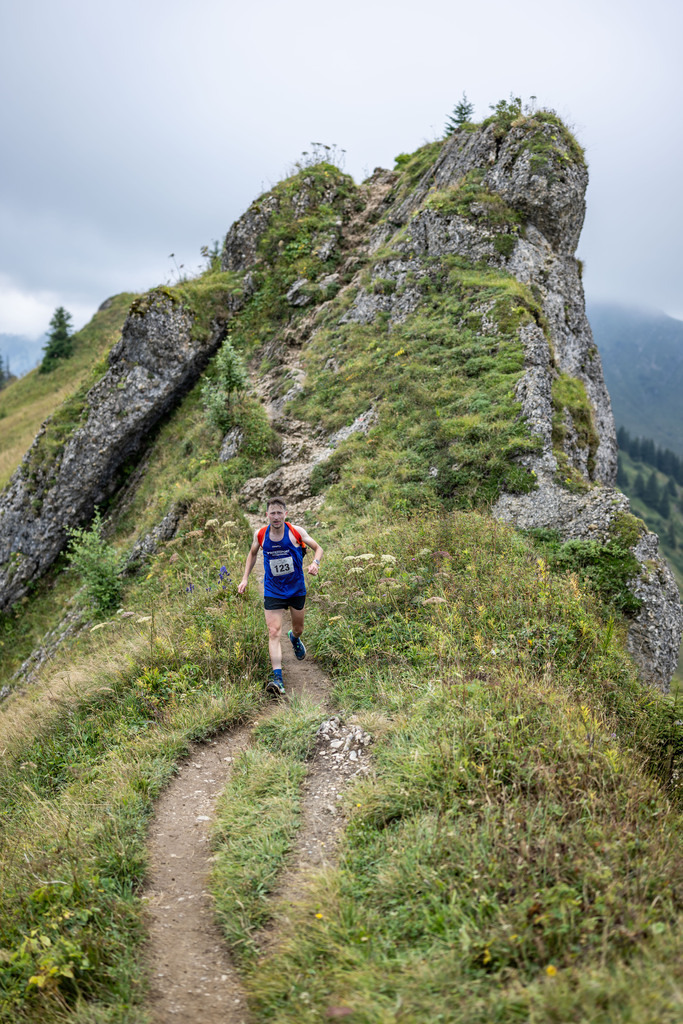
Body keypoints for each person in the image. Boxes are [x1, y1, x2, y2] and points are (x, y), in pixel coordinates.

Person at [238, 496, 323, 696]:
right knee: (273, 632)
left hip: (296, 588)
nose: (276, 517)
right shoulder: (260, 534)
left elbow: (318, 548)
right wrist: (245, 579)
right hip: (273, 589)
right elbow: (252, 554)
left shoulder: (296, 532)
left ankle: (294, 639)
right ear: (267, 515)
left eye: (279, 513)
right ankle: (277, 678)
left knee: (298, 628)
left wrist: (315, 564)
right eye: (272, 513)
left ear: (285, 514)